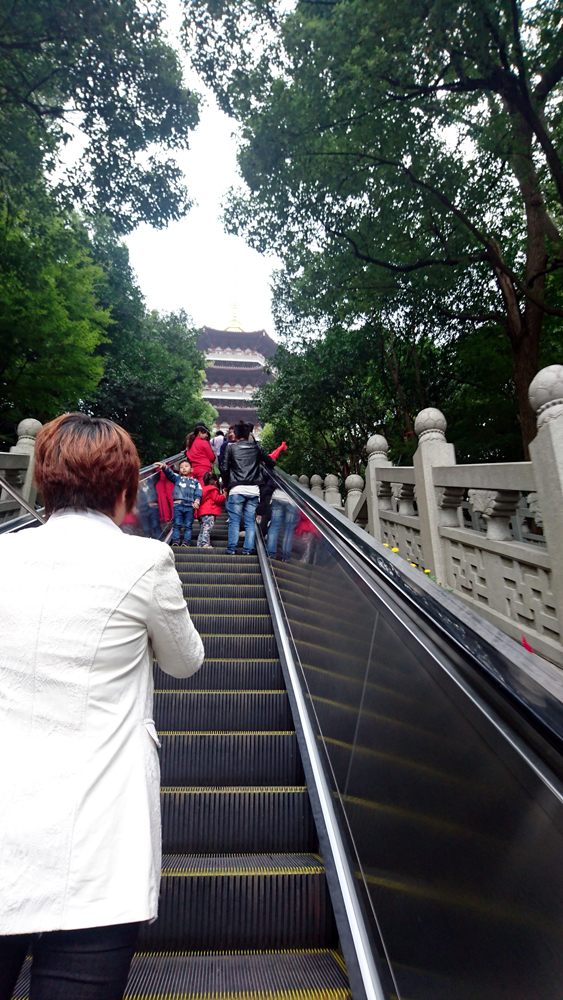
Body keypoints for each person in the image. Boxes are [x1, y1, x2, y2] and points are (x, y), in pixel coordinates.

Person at [0, 412, 204, 1000]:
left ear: (45, 482)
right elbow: (186, 661)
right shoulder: (143, 562)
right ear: (125, 491)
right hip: (94, 850)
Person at [220, 421, 275, 555]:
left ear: (236, 434)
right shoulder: (256, 447)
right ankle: (248, 550)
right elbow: (271, 462)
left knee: (234, 520)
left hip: (236, 489)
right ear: (248, 434)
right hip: (253, 490)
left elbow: (224, 468)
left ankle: (232, 549)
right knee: (250, 521)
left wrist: (226, 486)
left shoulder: (230, 448)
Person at [155, 459, 202, 546]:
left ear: (191, 469)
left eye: (186, 466)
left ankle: (186, 541)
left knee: (188, 525)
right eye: (181, 467)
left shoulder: (195, 482)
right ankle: (175, 541)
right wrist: (165, 467)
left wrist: (197, 501)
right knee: (177, 524)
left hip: (190, 506)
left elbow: (198, 491)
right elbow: (170, 474)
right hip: (178, 505)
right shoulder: (178, 478)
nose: (184, 468)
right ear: (179, 470)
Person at [266, 488, 299, 562]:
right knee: (288, 529)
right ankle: (285, 557)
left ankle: (270, 553)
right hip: (292, 500)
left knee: (274, 526)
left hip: (278, 496)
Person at [196, 471, 226, 548]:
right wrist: (224, 495)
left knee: (203, 528)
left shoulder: (202, 490)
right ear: (215, 481)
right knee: (207, 528)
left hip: (201, 513)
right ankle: (205, 543)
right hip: (209, 512)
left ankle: (199, 544)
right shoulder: (213, 489)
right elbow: (217, 499)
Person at [137, 471, 161, 538]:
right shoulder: (136, 487)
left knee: (156, 526)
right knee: (146, 529)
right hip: (142, 508)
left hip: (152, 506)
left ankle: (160, 542)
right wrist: (135, 507)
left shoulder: (150, 481)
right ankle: (148, 544)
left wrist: (157, 467)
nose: (142, 480)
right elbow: (133, 498)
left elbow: (157, 476)